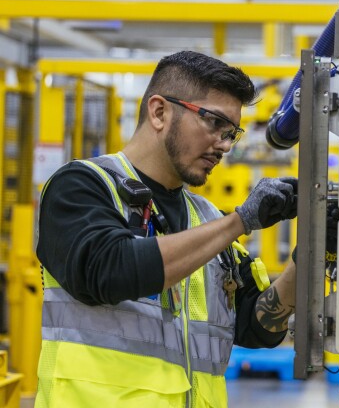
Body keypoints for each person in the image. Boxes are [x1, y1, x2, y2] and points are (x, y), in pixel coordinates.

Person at [35, 51, 299, 408]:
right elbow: (110, 270)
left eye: (230, 133)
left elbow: (257, 327)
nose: (223, 145)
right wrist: (239, 222)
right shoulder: (82, 186)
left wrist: (312, 252)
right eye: (213, 123)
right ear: (159, 112)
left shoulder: (205, 218)